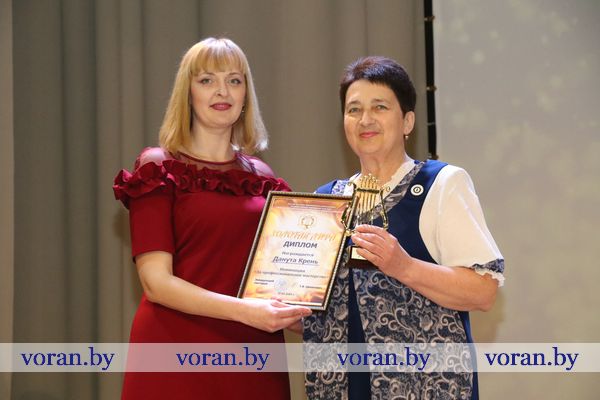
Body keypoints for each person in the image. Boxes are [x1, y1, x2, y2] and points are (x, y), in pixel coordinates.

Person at [113, 37, 312, 400]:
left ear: (246, 94)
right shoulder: (158, 167)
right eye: (207, 80)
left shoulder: (263, 177)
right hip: (174, 351)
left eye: (234, 80)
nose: (223, 91)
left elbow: (280, 282)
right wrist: (246, 312)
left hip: (253, 354)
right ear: (187, 93)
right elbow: (156, 282)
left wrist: (298, 312)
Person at [302, 56, 504, 399]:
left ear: (407, 121)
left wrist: (404, 266)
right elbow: (313, 314)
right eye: (353, 110)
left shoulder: (442, 184)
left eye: (379, 107)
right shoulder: (327, 200)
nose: (365, 119)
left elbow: (483, 291)